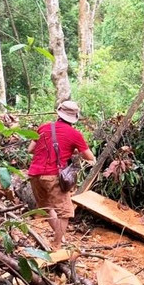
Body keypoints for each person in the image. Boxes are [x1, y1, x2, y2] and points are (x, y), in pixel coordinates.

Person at [27, 101, 95, 248]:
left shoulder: (43, 127)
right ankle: (56, 245)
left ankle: (60, 237)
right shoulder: (75, 134)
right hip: (53, 176)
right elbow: (89, 157)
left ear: (58, 113)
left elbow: (30, 149)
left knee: (47, 207)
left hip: (34, 174)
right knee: (65, 212)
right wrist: (75, 151)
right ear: (74, 118)